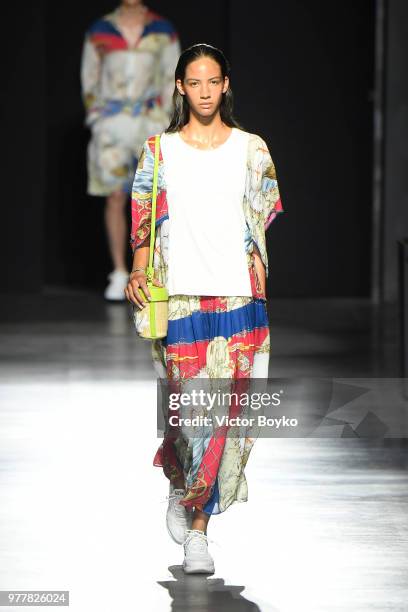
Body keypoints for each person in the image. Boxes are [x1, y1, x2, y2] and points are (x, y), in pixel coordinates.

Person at [125, 43, 284, 573]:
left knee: (221, 420)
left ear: (226, 84)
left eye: (213, 81)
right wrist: (139, 270)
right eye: (195, 83)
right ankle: (180, 483)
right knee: (188, 418)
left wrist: (256, 271)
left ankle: (199, 531)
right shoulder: (159, 150)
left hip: (238, 297)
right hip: (181, 297)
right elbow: (145, 216)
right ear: (179, 87)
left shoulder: (252, 149)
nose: (205, 92)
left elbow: (262, 218)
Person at [80, 1, 181, 300]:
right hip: (112, 124)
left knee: (156, 196)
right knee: (114, 196)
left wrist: (166, 121)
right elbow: (90, 78)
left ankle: (154, 270)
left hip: (150, 122)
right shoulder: (101, 30)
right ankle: (119, 271)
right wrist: (97, 118)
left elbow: (172, 77)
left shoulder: (161, 29)